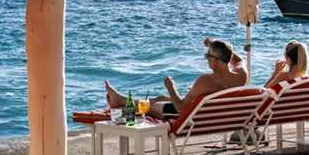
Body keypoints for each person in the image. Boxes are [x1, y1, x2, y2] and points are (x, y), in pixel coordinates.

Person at [105, 37, 247, 126]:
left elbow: (182, 109)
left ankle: (120, 108)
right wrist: (216, 47)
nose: (206, 59)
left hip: (193, 118)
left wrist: (171, 88)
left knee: (150, 106)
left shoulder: (206, 81)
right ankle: (121, 100)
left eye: (207, 56)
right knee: (160, 98)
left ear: (215, 60)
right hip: (217, 117)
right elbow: (238, 60)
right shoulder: (241, 75)